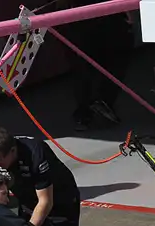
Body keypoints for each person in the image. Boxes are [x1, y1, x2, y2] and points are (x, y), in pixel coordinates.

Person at [0, 127, 82, 226]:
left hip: (60, 200)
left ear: (13, 150)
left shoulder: (35, 153)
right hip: (28, 199)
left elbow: (45, 201)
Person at [55, 0, 136, 131]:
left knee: (117, 47)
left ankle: (98, 104)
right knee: (83, 61)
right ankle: (91, 106)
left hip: (99, 12)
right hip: (82, 13)